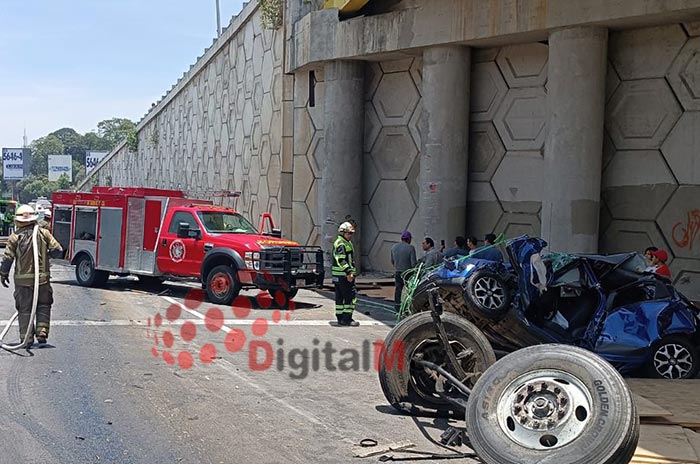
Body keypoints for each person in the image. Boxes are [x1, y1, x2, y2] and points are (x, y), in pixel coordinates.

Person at [0, 205, 63, 347]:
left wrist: (3, 275)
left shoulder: (14, 237)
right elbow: (58, 250)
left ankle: (27, 338)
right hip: (42, 280)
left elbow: (7, 259)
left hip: (23, 283)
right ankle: (42, 332)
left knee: (24, 309)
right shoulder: (44, 233)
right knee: (44, 304)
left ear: (17, 221)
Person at [332, 221, 359, 327]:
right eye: (349, 233)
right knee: (350, 297)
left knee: (340, 297)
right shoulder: (341, 243)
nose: (350, 236)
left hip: (338, 275)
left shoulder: (343, 242)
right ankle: (346, 319)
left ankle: (340, 318)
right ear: (343, 233)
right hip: (344, 276)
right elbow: (341, 260)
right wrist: (349, 273)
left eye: (351, 234)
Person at [391, 230, 417, 311]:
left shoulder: (394, 247)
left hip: (398, 272)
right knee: (410, 290)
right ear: (409, 239)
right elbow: (413, 263)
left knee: (398, 289)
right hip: (408, 273)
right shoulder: (411, 248)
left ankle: (397, 307)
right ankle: (408, 307)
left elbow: (392, 261)